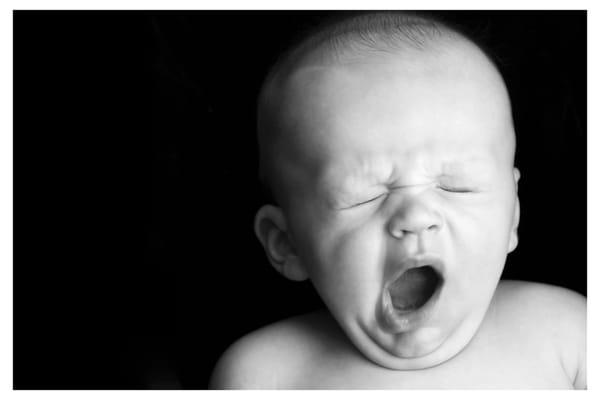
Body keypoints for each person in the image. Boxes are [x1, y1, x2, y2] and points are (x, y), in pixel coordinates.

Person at [209, 12, 586, 389]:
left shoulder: (567, 334)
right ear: (287, 243)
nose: (417, 216)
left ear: (512, 217)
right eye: (365, 196)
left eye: (457, 186)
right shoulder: (265, 375)